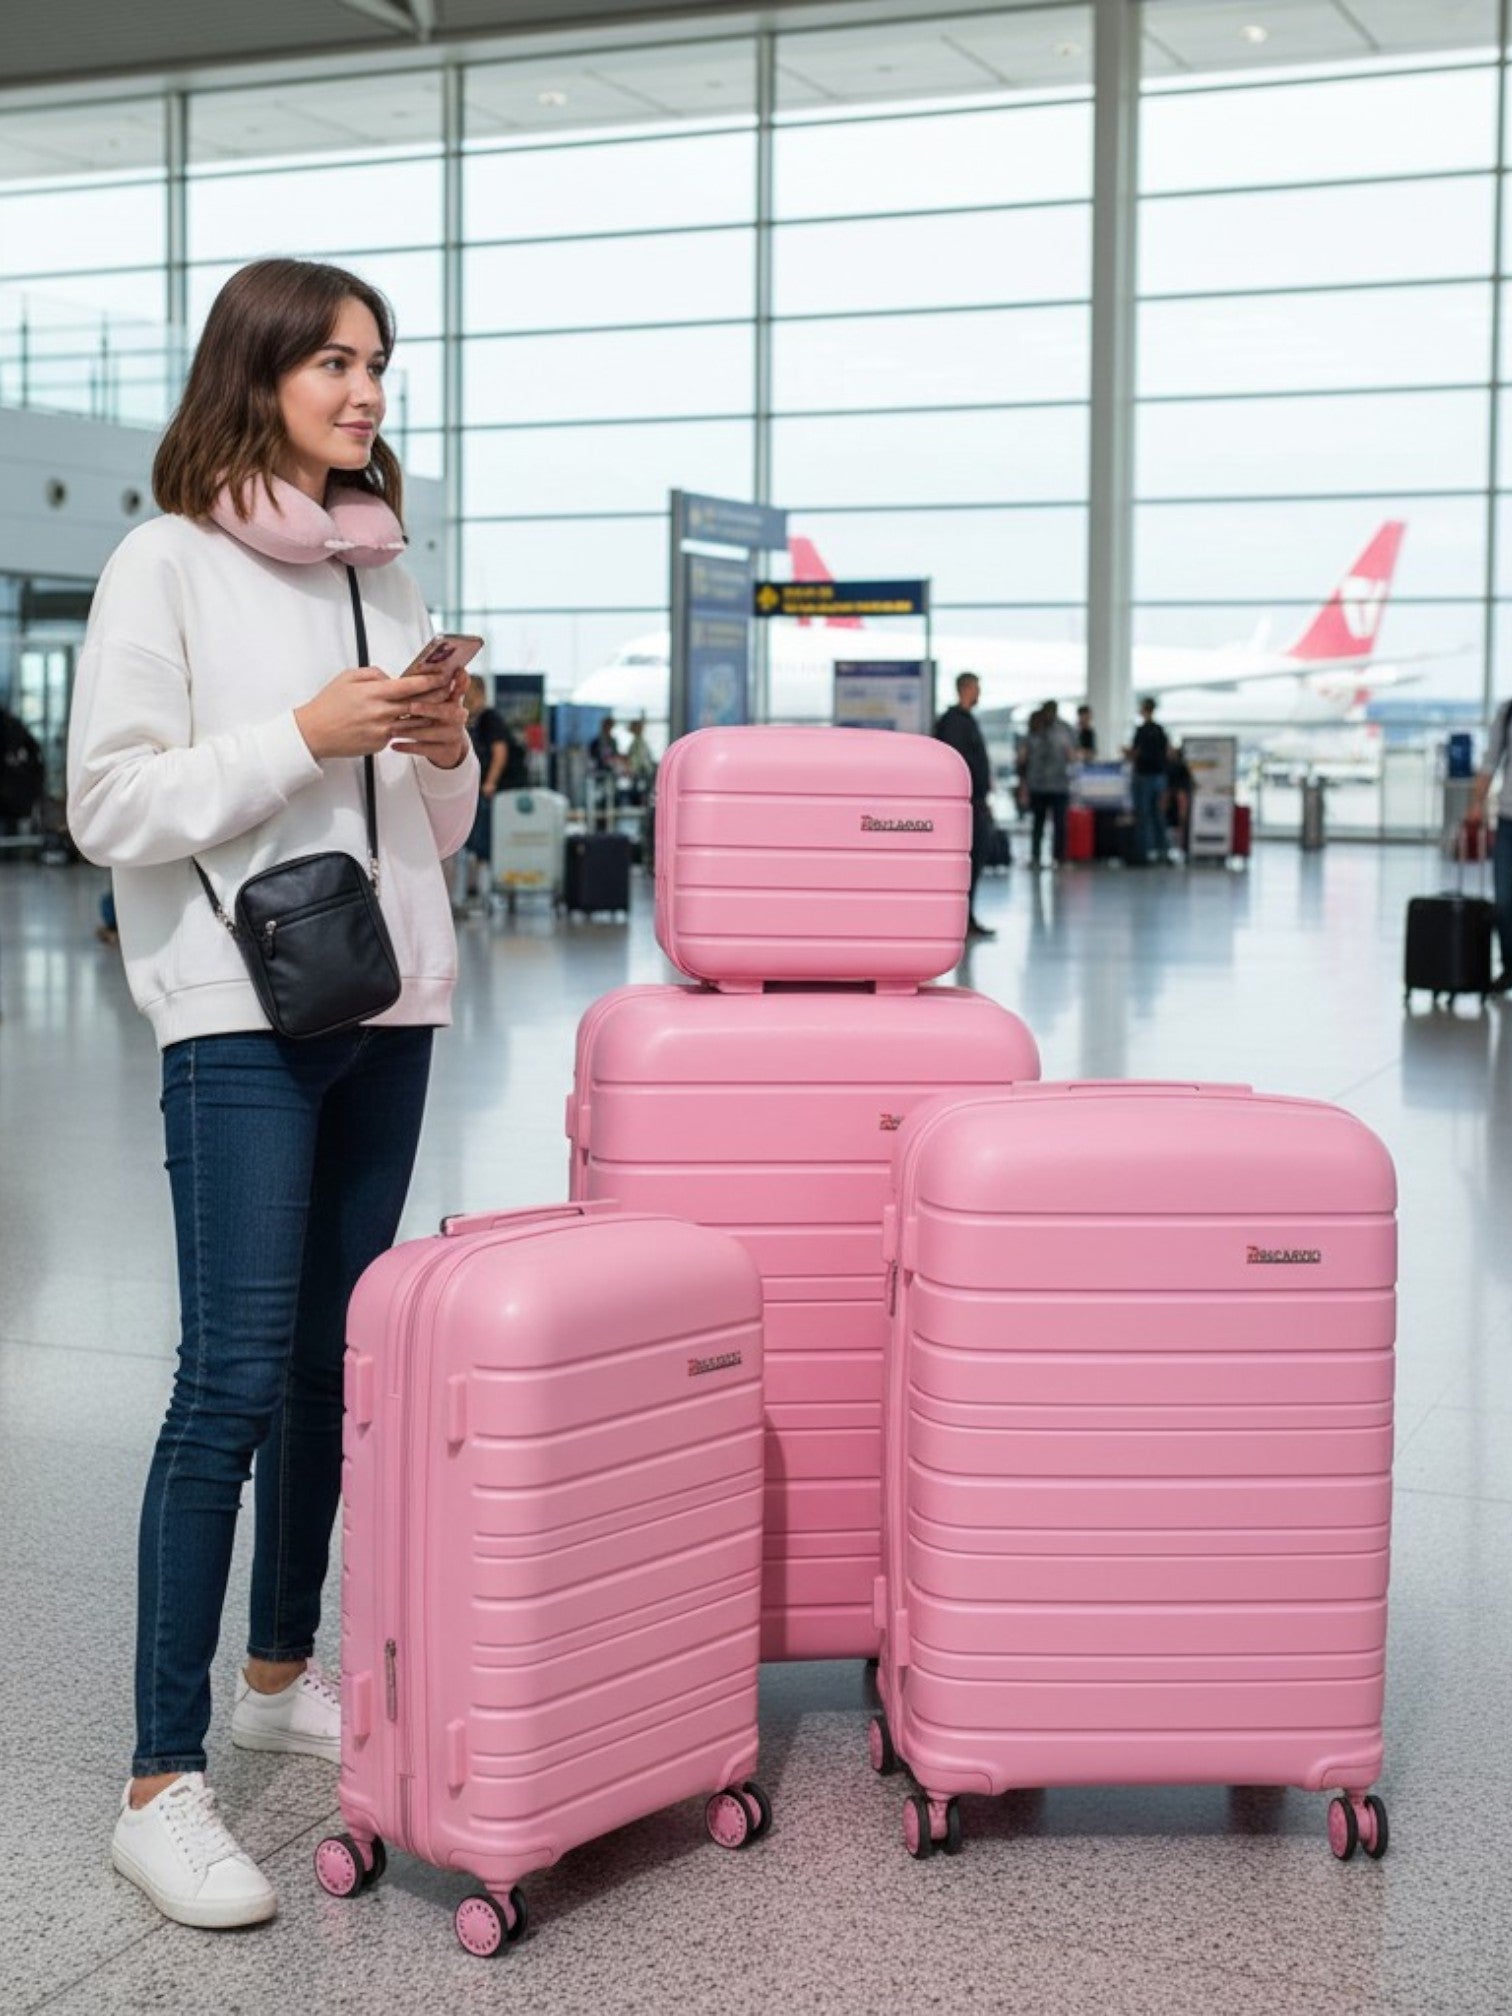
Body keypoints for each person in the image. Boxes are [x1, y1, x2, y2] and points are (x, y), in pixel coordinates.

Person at [66, 257, 479, 1931]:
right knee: (229, 1380)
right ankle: (159, 1785)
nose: (367, 391)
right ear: (257, 375)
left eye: (378, 363)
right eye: (333, 363)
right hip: (239, 1011)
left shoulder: (382, 562)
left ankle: (277, 1675)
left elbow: (430, 831)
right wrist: (306, 732)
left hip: (392, 1001)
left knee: (327, 1369)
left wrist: (441, 750)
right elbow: (111, 803)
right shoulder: (164, 561)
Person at [933, 670, 999, 937]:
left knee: (975, 862)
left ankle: (966, 917)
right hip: (965, 806)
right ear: (966, 688)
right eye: (976, 687)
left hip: (975, 802)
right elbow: (958, 764)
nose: (979, 693)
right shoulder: (954, 723)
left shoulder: (965, 720)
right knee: (965, 865)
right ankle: (959, 920)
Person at [456, 674, 510, 911]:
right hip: (469, 789)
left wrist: (490, 783)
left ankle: (480, 892)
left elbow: (500, 752)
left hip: (485, 790)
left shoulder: (490, 719)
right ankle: (468, 891)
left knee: (481, 843)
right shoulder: (467, 719)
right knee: (468, 842)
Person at [1471, 696, 1512, 992]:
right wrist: (1477, 803)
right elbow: (1490, 761)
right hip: (1509, 821)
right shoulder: (1507, 712)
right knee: (1504, 901)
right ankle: (1510, 967)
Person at [1024, 698, 1077, 870]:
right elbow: (1024, 757)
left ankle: (1057, 857)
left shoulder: (1063, 729)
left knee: (1057, 824)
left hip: (1056, 784)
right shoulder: (1036, 727)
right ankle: (1038, 857)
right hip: (1040, 784)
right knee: (1040, 824)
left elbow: (1071, 754)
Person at [1127, 696, 1171, 865]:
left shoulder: (1141, 731)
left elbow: (1135, 752)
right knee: (1158, 815)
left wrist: (1128, 755)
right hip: (1159, 776)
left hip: (1144, 776)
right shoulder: (1160, 731)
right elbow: (1167, 753)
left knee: (1143, 815)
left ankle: (1143, 853)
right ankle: (1163, 852)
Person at [624, 715, 657, 803]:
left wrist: (631, 769)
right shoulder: (638, 741)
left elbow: (639, 760)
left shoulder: (639, 742)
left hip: (642, 773)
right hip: (643, 772)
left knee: (640, 795)